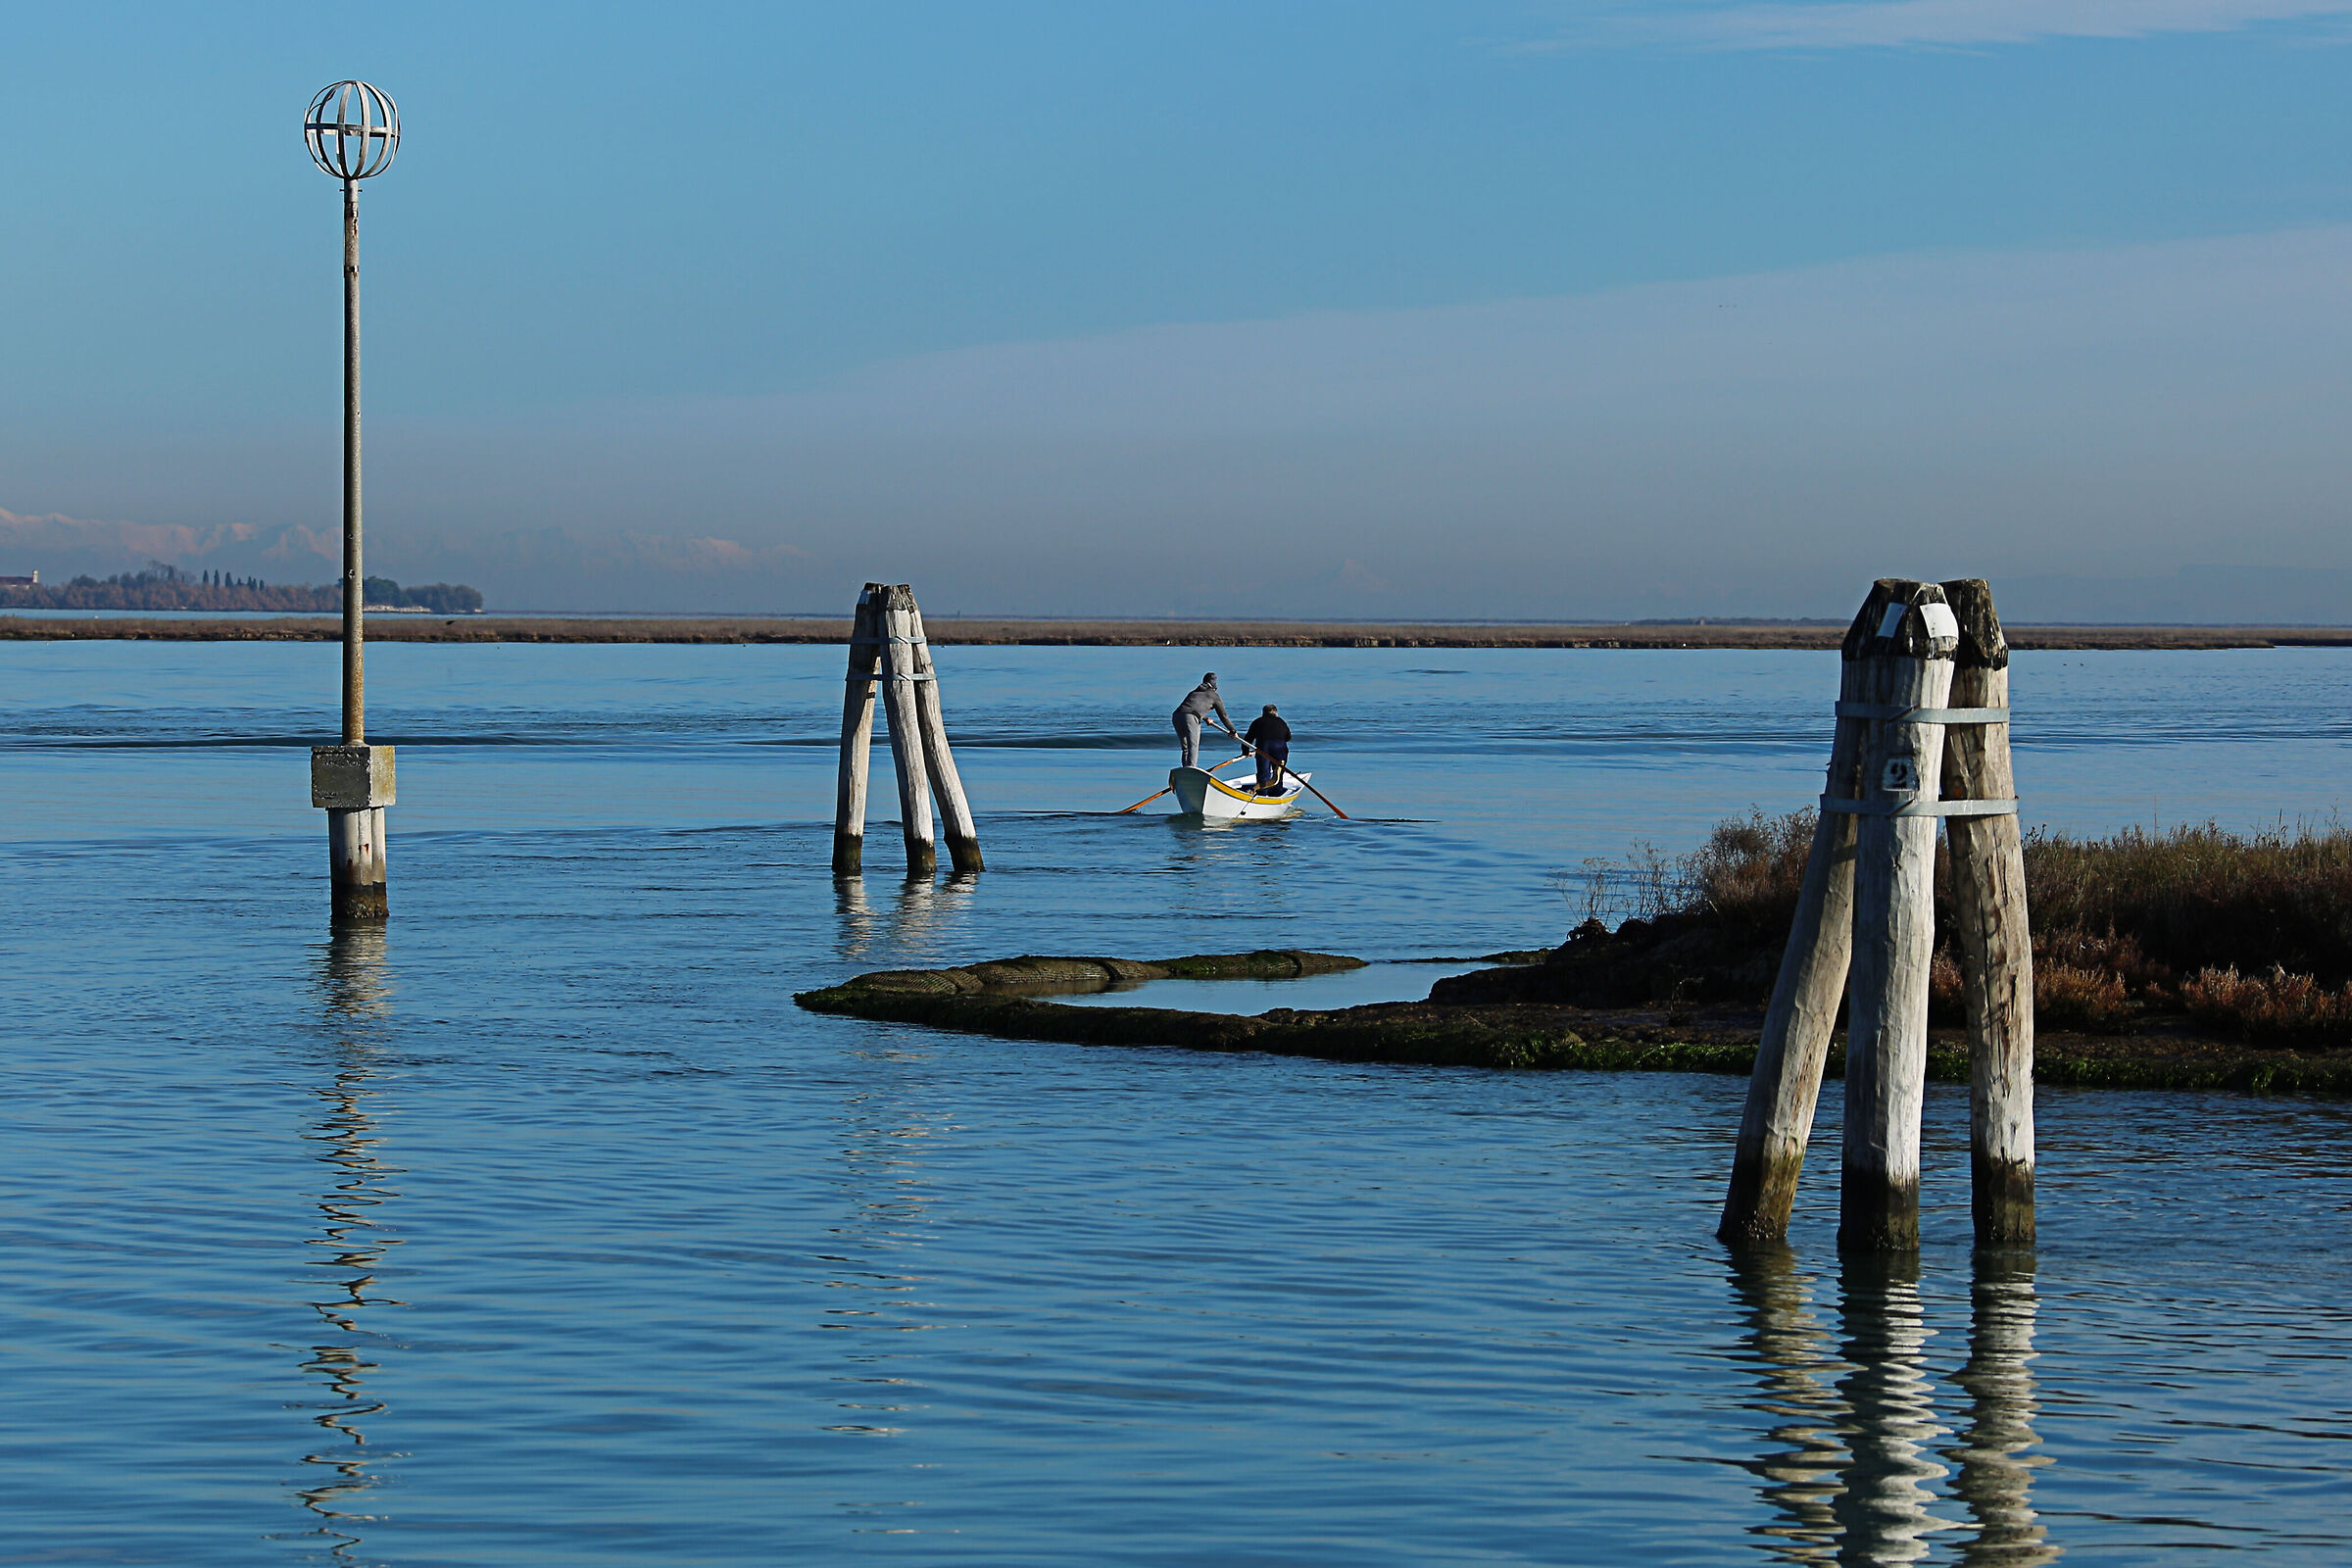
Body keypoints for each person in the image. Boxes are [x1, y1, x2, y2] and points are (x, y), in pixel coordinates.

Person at [1170, 672, 1233, 768]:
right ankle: (1191, 768)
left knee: (1186, 748)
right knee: (1193, 746)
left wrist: (1205, 718)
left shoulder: (1194, 692)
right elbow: (1223, 715)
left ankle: (1185, 768)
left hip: (1177, 716)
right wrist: (1232, 730)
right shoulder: (1214, 696)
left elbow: (1190, 707)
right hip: (1191, 717)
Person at [1244, 704, 1291, 790]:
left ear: (1263, 713)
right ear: (1276, 713)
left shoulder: (1257, 721)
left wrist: (1245, 752)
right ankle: (1277, 792)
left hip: (1263, 747)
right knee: (1278, 773)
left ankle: (1262, 793)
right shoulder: (1281, 721)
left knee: (1263, 773)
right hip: (1280, 747)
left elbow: (1247, 739)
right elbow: (1288, 737)